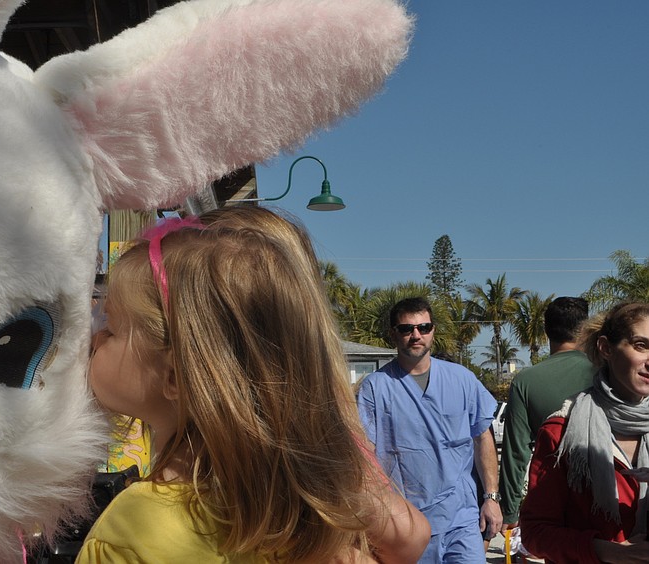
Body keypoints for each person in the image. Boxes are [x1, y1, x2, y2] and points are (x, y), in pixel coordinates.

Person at [77, 208, 430, 564]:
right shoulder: (296, 523)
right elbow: (410, 538)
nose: (93, 336)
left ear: (174, 377)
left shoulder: (130, 533)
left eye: (112, 326)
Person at [357, 297, 502, 563]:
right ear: (394, 334)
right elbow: (365, 456)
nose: (416, 335)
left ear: (433, 331)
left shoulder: (462, 379)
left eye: (424, 327)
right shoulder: (375, 388)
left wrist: (491, 498)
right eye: (406, 329)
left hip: (462, 517)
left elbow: (483, 438)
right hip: (408, 523)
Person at [520, 301, 649, 563]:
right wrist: (607, 551)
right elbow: (535, 533)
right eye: (641, 345)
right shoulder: (561, 431)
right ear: (605, 348)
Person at [498, 296, 595, 531]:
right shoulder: (607, 372)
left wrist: (509, 511)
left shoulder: (526, 381)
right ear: (585, 329)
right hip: (606, 497)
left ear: (545, 331)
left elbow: (515, 452)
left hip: (553, 503)